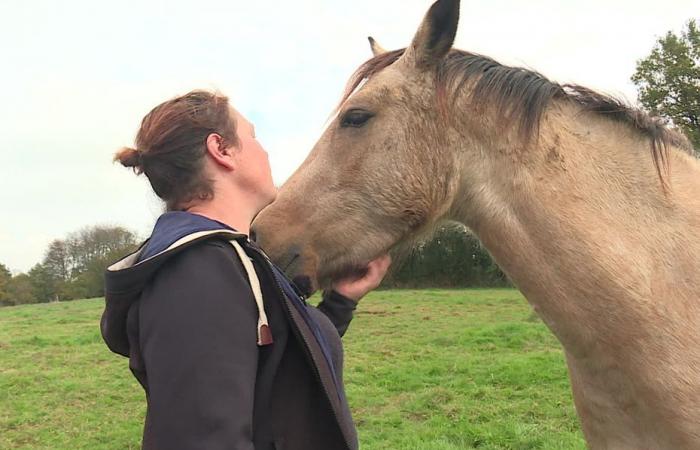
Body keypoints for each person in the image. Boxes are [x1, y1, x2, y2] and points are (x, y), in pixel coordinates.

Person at [100, 90, 391, 450]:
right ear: (221, 150)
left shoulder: (234, 259)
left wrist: (341, 301)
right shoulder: (197, 273)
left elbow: (280, 369)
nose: (264, 151)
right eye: (253, 136)